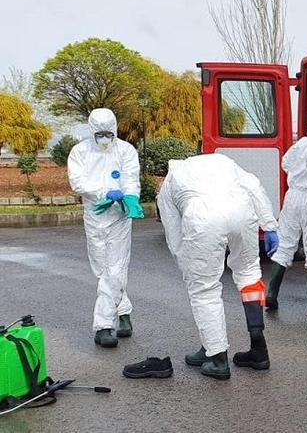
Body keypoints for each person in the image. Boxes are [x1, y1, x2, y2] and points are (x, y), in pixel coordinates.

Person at [157, 153, 280, 380]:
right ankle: (258, 350)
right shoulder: (224, 162)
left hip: (203, 218)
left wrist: (186, 264)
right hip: (242, 211)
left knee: (204, 289)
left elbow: (173, 231)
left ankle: (217, 357)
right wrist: (269, 224)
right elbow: (253, 185)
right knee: (249, 275)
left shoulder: (172, 180)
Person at [67, 108, 140, 348]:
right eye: (100, 134)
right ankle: (124, 313)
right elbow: (77, 182)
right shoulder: (80, 152)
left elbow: (130, 178)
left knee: (115, 268)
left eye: (109, 133)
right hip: (95, 216)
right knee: (103, 269)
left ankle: (104, 325)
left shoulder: (126, 150)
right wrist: (103, 191)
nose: (105, 138)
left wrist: (130, 198)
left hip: (119, 216)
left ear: (115, 129)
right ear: (92, 131)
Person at [264, 126, 307, 311]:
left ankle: (271, 293)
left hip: (292, 196)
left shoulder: (303, 142)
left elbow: (285, 163)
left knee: (284, 244)